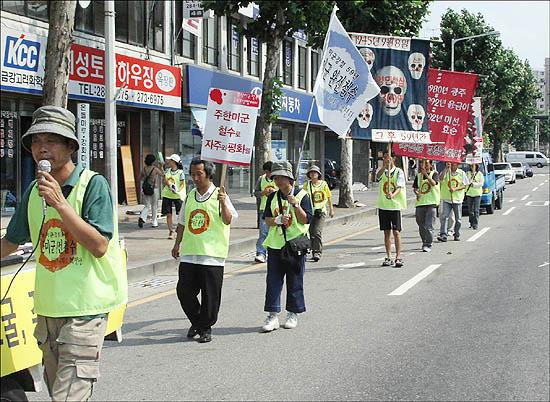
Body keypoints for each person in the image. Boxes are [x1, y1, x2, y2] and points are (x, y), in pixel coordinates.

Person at [0, 106, 127, 401]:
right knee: (61, 392)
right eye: (35, 141)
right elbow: (11, 241)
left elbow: (98, 245)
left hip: (85, 312)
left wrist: (61, 204)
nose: (41, 149)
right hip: (48, 313)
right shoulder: (34, 191)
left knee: (67, 397)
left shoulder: (94, 186)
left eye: (51, 141)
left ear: (71, 146)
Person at [171, 158, 237, 343]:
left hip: (212, 256)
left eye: (199, 174)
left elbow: (228, 219)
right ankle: (198, 321)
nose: (195, 177)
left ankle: (205, 327)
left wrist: (223, 203)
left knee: (210, 295)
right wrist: (177, 244)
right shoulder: (190, 195)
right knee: (184, 291)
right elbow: (183, 222)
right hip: (190, 254)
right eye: (192, 174)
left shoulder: (220, 194)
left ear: (209, 174)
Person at [261, 161, 312, 332]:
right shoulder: (272, 197)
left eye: (282, 177)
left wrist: (296, 205)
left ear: (290, 178)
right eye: (276, 177)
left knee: (295, 279)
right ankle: (272, 315)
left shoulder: (302, 194)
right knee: (273, 281)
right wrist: (276, 221)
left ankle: (293, 313)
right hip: (275, 245)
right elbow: (266, 218)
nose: (279, 181)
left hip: (295, 244)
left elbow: (306, 219)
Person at [376, 151, 407, 267]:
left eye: (388, 157)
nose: (386, 159)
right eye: (384, 158)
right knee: (386, 233)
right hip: (383, 206)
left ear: (394, 158)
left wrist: (393, 195)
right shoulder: (382, 171)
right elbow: (377, 177)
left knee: (396, 232)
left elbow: (399, 187)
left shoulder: (399, 172)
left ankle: (398, 256)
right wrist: (384, 166)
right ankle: (388, 256)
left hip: (395, 206)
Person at [303, 165, 334, 262]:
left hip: (321, 212)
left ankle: (317, 252)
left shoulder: (323, 184)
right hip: (309, 212)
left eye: (315, 172)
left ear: (318, 174)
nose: (313, 174)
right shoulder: (307, 185)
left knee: (317, 232)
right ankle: (311, 250)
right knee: (310, 232)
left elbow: (328, 196)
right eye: (311, 173)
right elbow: (302, 196)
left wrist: (331, 209)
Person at [437, 162, 470, 242]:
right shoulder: (446, 172)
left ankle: (457, 234)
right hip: (446, 198)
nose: (451, 166)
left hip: (457, 199)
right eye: (450, 164)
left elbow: (465, 185)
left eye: (453, 164)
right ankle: (443, 235)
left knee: (458, 219)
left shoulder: (461, 173)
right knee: (444, 217)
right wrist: (446, 169)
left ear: (457, 165)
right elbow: (440, 179)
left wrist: (456, 189)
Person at [412, 159, 440, 252]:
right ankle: (424, 240)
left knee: (429, 225)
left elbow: (433, 183)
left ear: (431, 165)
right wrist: (416, 193)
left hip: (431, 203)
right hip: (420, 203)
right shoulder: (419, 176)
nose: (424, 165)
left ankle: (428, 244)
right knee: (421, 225)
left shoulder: (434, 174)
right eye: (422, 163)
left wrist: (426, 175)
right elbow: (415, 188)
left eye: (427, 164)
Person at [254, 161, 277, 263]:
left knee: (277, 233)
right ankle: (261, 253)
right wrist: (263, 192)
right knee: (263, 233)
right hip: (264, 210)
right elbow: (256, 193)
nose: (269, 174)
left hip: (277, 210)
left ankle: (275, 252)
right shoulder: (261, 179)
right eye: (268, 172)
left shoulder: (278, 179)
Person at [161, 154, 186, 239]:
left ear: (174, 162)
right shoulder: (167, 171)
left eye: (170, 160)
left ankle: (179, 230)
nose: (169, 162)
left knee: (180, 214)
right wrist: (166, 182)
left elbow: (182, 184)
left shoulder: (180, 172)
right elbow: (164, 181)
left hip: (178, 196)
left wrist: (177, 190)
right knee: (168, 214)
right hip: (167, 194)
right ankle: (170, 231)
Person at [138, 154, 164, 228]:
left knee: (147, 205)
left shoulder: (144, 169)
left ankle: (142, 217)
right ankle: (154, 222)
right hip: (154, 188)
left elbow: (139, 178)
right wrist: (161, 167)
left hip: (146, 189)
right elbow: (162, 174)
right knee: (154, 206)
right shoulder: (155, 169)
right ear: (153, 161)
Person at [465, 163, 485, 230]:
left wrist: (474, 184)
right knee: (470, 210)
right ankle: (471, 222)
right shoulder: (467, 173)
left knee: (476, 210)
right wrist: (471, 177)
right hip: (469, 193)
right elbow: (466, 182)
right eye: (471, 166)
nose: (472, 167)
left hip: (477, 193)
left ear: (476, 166)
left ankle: (475, 224)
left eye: (473, 166)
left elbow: (481, 183)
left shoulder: (480, 174)